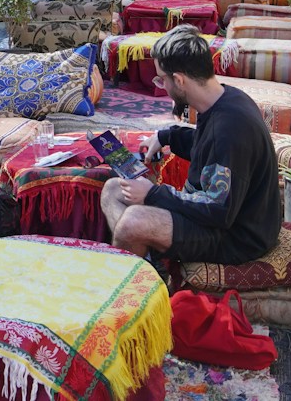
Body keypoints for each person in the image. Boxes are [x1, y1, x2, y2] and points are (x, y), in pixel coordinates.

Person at [100, 27, 281, 267]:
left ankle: (132, 290)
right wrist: (166, 137)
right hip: (217, 215)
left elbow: (218, 210)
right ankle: (146, 267)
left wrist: (152, 194)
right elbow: (205, 145)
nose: (161, 86)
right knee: (113, 190)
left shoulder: (228, 129)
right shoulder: (225, 99)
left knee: (133, 222)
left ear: (179, 79)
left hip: (237, 236)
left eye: (161, 79)